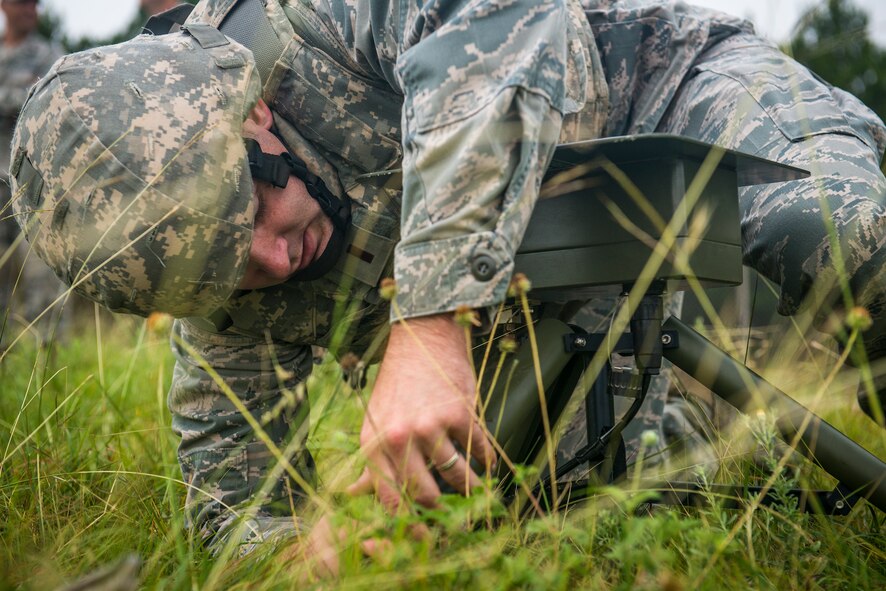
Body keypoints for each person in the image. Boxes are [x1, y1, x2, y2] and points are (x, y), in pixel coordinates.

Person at [8, 0, 885, 562]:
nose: (270, 263)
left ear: (256, 112)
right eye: (222, 279)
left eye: (248, 219)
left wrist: (430, 322)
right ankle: (701, 412)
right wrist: (316, 555)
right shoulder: (229, 294)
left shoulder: (315, 20)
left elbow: (507, 24)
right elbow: (231, 514)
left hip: (661, 90)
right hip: (573, 323)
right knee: (589, 529)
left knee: (836, 236)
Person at [0, 0, 62, 345]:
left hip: (33, 187)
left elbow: (49, 102)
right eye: (23, 3)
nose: (31, 10)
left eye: (35, 5)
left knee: (43, 278)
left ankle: (47, 366)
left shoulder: (50, 55)